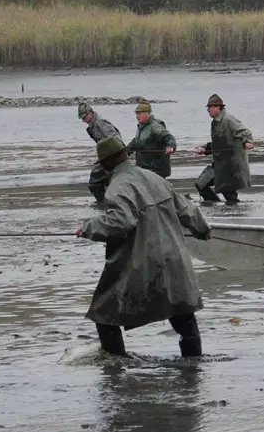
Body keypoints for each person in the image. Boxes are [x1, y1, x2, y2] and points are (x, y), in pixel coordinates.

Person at [77, 136, 211, 358]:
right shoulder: (154, 177)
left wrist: (89, 227)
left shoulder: (117, 188)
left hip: (144, 265)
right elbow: (186, 209)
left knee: (104, 314)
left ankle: (117, 367)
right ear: (126, 155)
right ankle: (193, 369)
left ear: (104, 166)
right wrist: (203, 230)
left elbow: (122, 222)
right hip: (176, 260)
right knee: (183, 315)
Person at [193, 94, 253, 205]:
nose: (208, 110)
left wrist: (248, 142)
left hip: (231, 166)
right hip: (220, 164)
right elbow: (219, 143)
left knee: (229, 193)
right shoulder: (215, 122)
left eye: (209, 107)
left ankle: (229, 210)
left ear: (217, 107)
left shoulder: (228, 120)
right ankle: (216, 205)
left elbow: (245, 132)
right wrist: (204, 149)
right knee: (201, 184)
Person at [79, 102, 121, 204]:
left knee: (94, 182)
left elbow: (117, 139)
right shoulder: (93, 126)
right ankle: (107, 201)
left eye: (84, 117)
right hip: (107, 158)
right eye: (82, 118)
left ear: (90, 113)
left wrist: (115, 157)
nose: (83, 120)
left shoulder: (100, 123)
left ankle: (103, 203)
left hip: (113, 157)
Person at [126, 101, 176, 178]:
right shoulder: (141, 127)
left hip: (156, 171)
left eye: (140, 113)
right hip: (144, 169)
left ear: (148, 113)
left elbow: (168, 137)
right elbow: (136, 141)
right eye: (136, 113)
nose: (137, 116)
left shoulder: (155, 127)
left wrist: (171, 146)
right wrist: (127, 150)